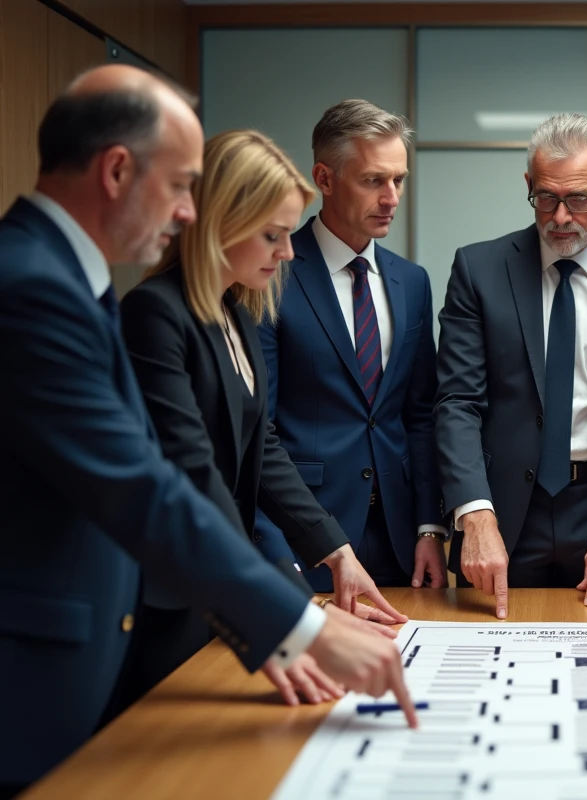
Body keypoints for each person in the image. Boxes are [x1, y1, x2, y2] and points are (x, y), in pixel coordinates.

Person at [0, 65, 416, 795]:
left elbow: (245, 460)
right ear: (118, 169)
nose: (189, 210)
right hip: (45, 660)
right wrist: (297, 623)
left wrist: (317, 565)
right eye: (181, 183)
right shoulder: (35, 286)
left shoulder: (81, 281)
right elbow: (149, 486)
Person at [117, 129, 407, 710]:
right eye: (272, 234)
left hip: (231, 587)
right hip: (178, 596)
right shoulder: (154, 315)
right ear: (223, 223)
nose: (288, 252)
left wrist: (335, 552)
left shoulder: (238, 313)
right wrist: (293, 615)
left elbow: (262, 448)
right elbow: (196, 476)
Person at [436, 113, 587, 617]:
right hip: (499, 517)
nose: (562, 217)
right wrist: (475, 516)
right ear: (528, 186)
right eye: (547, 197)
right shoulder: (478, 271)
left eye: (580, 199)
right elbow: (457, 403)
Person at [256, 100, 446, 592]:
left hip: (402, 540)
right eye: (372, 180)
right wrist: (284, 540)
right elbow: (261, 428)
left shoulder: (413, 281)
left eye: (398, 181)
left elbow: (420, 414)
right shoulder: (270, 276)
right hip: (309, 535)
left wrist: (430, 526)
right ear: (324, 177)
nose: (391, 197)